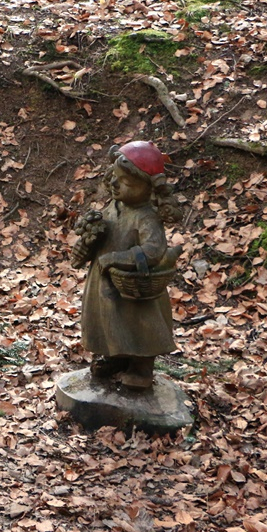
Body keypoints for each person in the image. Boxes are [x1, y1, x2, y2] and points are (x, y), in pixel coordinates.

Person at [71, 141, 182, 390]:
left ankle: (142, 369)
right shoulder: (113, 206)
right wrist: (86, 246)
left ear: (149, 190)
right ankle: (115, 357)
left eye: (127, 183)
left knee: (137, 327)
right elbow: (100, 234)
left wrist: (117, 258)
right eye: (114, 178)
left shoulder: (146, 216)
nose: (115, 185)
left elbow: (153, 250)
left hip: (133, 287)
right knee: (109, 324)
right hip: (104, 283)